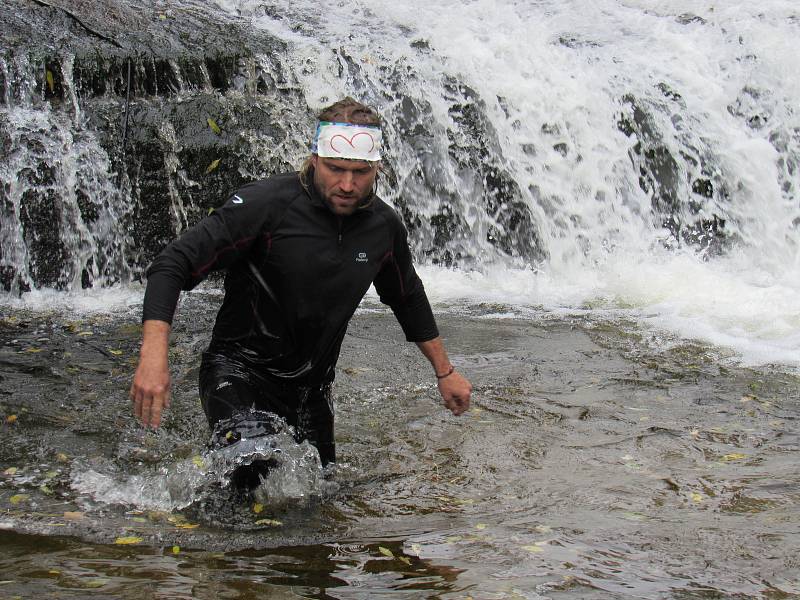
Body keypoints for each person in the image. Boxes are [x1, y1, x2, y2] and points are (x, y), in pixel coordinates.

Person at [129, 97, 472, 470]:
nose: (346, 184)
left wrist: (445, 372)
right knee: (250, 469)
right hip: (238, 372)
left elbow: (407, 297)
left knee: (316, 503)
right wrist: (153, 356)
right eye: (335, 169)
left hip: (311, 391)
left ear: (377, 168)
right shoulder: (266, 205)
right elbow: (172, 263)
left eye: (360, 172)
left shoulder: (383, 227)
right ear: (313, 158)